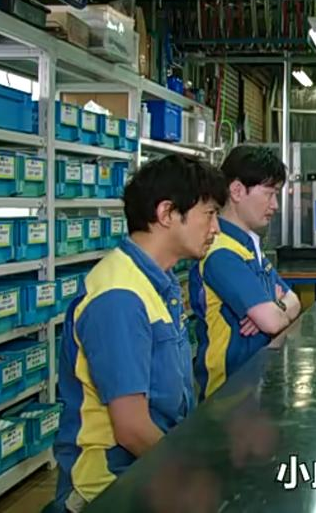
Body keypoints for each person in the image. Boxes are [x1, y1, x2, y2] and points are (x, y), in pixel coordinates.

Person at [53, 154, 227, 511]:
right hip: (110, 488)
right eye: (209, 214)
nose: (216, 229)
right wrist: (193, 476)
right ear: (166, 213)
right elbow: (131, 428)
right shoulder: (120, 297)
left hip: (151, 469)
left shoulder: (158, 284)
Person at [190, 145, 301, 400]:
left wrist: (275, 306)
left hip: (255, 386)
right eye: (269, 194)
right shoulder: (221, 253)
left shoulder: (249, 246)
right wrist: (273, 311)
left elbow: (294, 300)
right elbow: (272, 322)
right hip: (227, 397)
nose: (275, 205)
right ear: (237, 191)